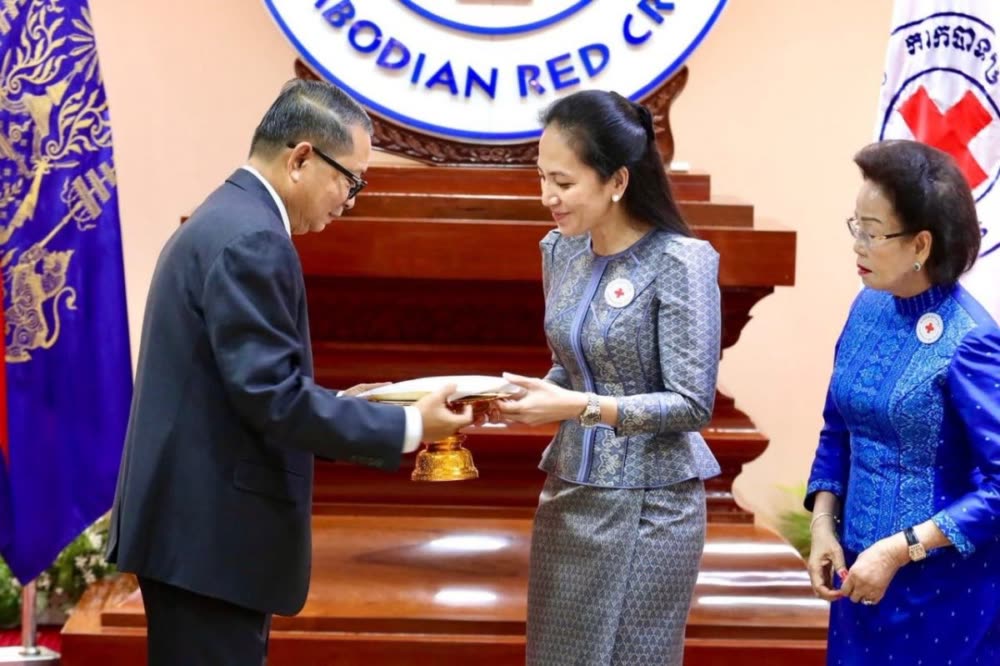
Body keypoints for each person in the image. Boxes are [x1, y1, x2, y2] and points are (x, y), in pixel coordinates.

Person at [106, 79, 473, 666]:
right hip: (210, 543)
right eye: (350, 180)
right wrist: (410, 427)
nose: (349, 200)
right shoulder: (254, 238)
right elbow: (270, 397)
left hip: (192, 537)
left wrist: (347, 406)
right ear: (301, 158)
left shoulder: (226, 216)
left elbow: (245, 387)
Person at [497, 90, 722, 666]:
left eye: (563, 182)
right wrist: (517, 394)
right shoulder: (560, 251)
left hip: (652, 508)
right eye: (541, 177)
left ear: (617, 180)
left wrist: (578, 407)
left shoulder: (680, 262)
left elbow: (692, 404)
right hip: (570, 495)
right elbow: (573, 365)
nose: (547, 197)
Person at [806, 139, 1000, 664]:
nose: (857, 246)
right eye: (855, 226)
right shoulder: (867, 307)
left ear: (921, 245)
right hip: (858, 575)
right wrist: (823, 526)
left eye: (872, 232)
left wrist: (899, 549)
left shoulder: (971, 339)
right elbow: (838, 429)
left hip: (942, 592)